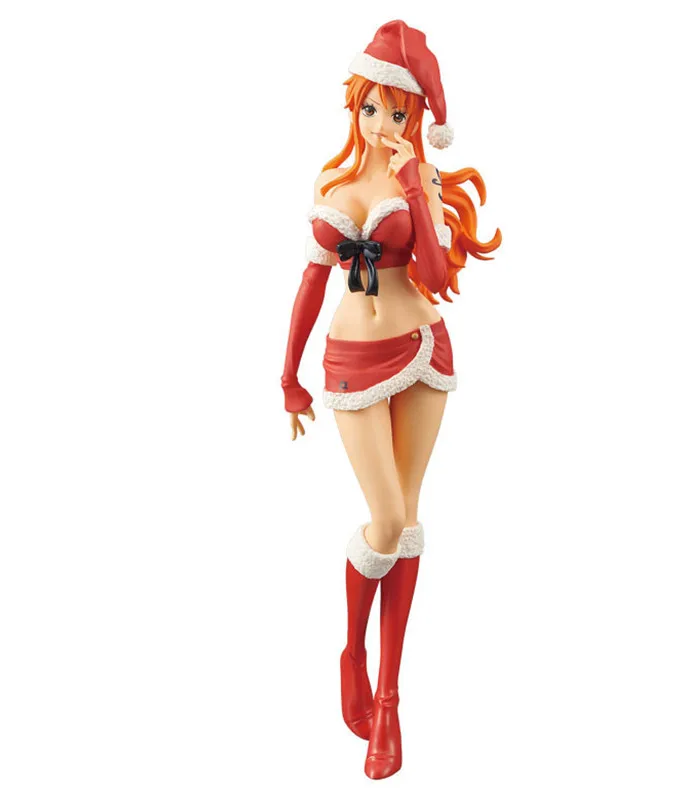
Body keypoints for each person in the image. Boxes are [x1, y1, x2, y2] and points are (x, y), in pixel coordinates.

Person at [280, 19, 501, 780]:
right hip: (351, 359)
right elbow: (311, 286)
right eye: (372, 108)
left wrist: (413, 183)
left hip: (424, 348)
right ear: (356, 106)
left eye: (399, 112)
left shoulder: (421, 182)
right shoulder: (334, 188)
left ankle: (388, 697)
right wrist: (288, 377)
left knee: (407, 520)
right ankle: (352, 649)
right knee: (384, 519)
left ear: (418, 116)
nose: (383, 124)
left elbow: (436, 276)